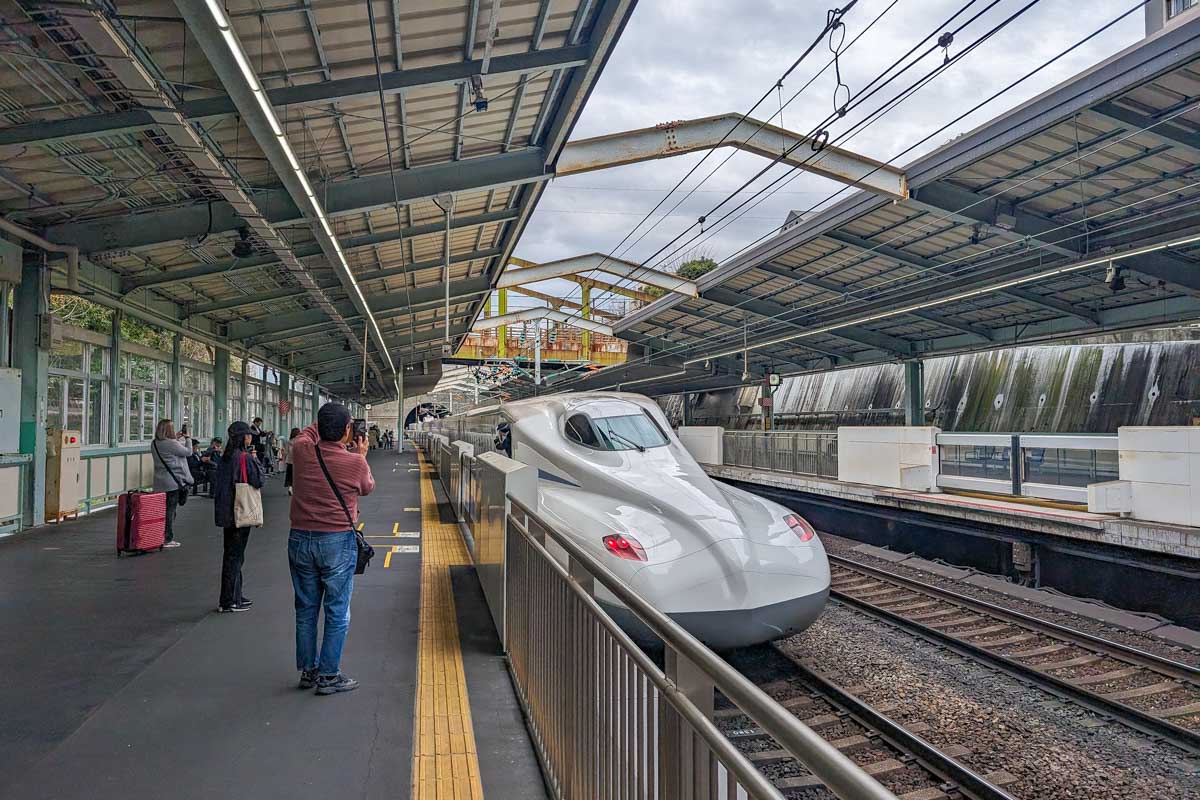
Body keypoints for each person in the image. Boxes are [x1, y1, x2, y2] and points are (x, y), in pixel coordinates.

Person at [288, 402, 374, 695]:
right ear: (348, 430)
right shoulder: (355, 462)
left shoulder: (301, 450)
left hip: (299, 539)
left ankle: (309, 671)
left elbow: (307, 435)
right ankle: (329, 675)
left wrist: (327, 423)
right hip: (337, 541)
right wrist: (360, 454)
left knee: (306, 608)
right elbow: (367, 488)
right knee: (337, 610)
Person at [212, 421, 263, 613]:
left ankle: (234, 595)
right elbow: (259, 480)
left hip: (226, 512)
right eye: (248, 434)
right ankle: (229, 600)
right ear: (243, 437)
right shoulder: (245, 458)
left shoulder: (225, 457)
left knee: (231, 555)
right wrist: (255, 459)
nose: (250, 437)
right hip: (240, 511)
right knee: (236, 557)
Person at [151, 419, 193, 548]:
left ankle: (157, 536)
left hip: (159, 482)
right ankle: (167, 539)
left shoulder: (154, 443)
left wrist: (176, 436)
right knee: (170, 511)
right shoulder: (171, 443)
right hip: (172, 483)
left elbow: (169, 446)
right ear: (169, 430)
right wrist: (188, 439)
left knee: (161, 511)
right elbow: (188, 452)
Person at [282, 427, 300, 496]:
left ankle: (290, 488)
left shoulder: (289, 442)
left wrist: (283, 459)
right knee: (296, 476)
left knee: (290, 475)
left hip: (289, 461)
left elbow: (286, 452)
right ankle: (295, 489)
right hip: (297, 462)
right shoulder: (299, 441)